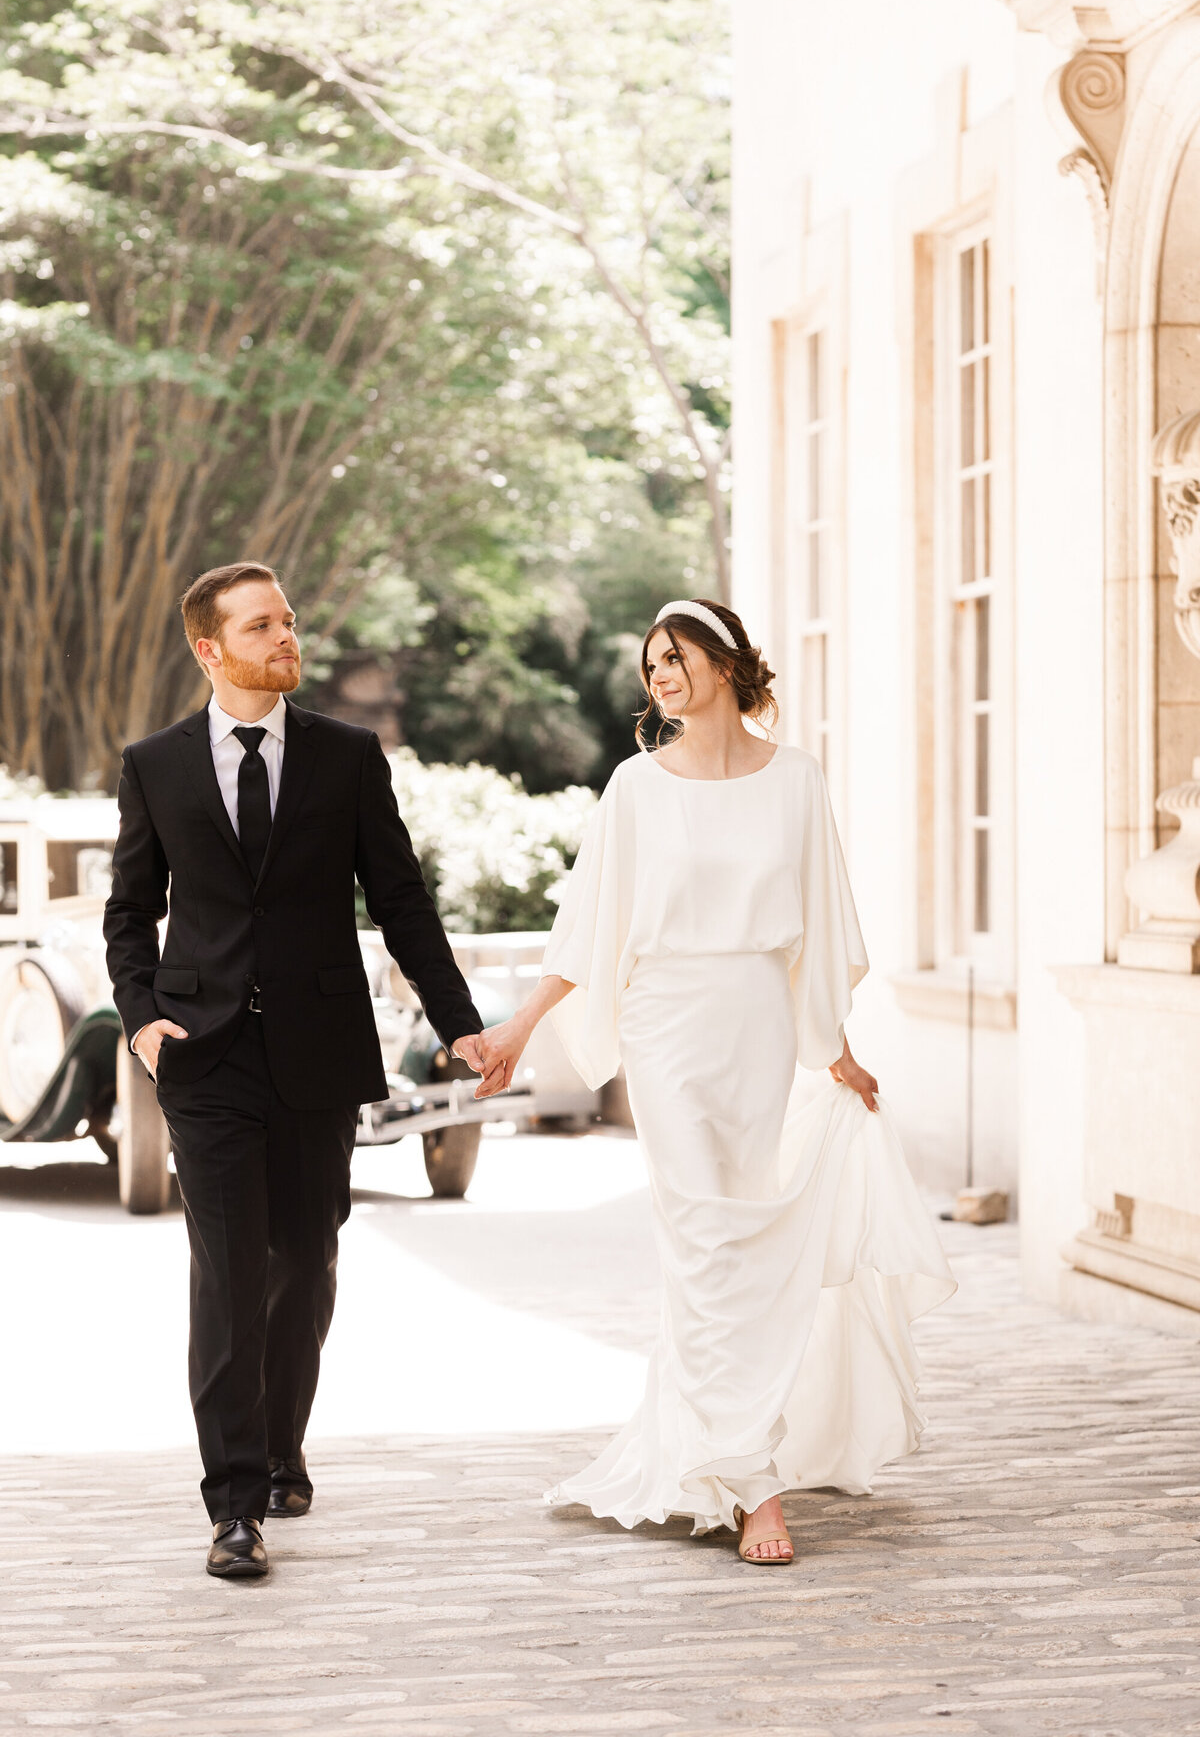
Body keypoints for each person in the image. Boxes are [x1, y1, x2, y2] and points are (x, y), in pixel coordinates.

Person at [474, 598, 955, 1564]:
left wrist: (832, 1048)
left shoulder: (797, 782)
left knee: (745, 1232)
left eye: (675, 654)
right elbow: (590, 925)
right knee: (702, 1241)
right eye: (649, 661)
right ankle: (754, 1482)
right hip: (666, 1024)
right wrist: (520, 1029)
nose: (659, 672)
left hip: (757, 1025)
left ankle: (719, 1446)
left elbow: (821, 923)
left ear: (728, 663)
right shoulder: (635, 788)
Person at [104, 562, 492, 1580]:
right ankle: (233, 1506)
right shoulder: (155, 764)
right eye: (262, 624)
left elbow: (401, 901)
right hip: (206, 1056)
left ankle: (281, 1443)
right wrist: (144, 1022)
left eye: (288, 620)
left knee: (305, 1259)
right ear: (210, 648)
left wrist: (462, 1026)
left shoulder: (348, 757)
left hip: (319, 1055)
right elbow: (129, 911)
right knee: (228, 1274)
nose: (287, 636)